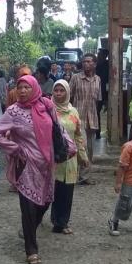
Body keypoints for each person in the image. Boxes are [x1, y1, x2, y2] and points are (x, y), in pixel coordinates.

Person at [0, 75, 74, 264]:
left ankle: (29, 230)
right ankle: (31, 250)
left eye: (27, 87)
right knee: (27, 208)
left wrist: (70, 147)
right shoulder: (13, 111)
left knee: (45, 202)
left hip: (46, 164)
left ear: (34, 88)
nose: (23, 91)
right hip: (26, 165)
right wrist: (14, 148)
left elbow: (58, 129)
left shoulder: (46, 105)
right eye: (20, 87)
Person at [49, 79, 88, 234]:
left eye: (62, 90)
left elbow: (78, 135)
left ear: (67, 92)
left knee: (67, 192)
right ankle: (54, 220)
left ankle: (62, 222)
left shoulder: (73, 112)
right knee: (53, 191)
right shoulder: (47, 110)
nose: (58, 94)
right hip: (53, 157)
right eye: (56, 90)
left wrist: (83, 156)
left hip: (70, 158)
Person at [69, 53, 101, 184]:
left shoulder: (97, 79)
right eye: (84, 62)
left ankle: (85, 176)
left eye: (89, 61)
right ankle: (76, 174)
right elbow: (68, 96)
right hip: (77, 117)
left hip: (92, 118)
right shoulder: (76, 78)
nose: (86, 64)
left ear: (94, 64)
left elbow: (98, 100)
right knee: (81, 147)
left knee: (91, 148)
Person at [95, 49, 110, 140]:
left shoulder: (104, 65)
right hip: (98, 91)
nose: (98, 56)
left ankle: (97, 133)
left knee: (96, 113)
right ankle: (96, 132)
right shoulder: (97, 64)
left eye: (99, 54)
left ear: (104, 56)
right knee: (96, 113)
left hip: (101, 92)